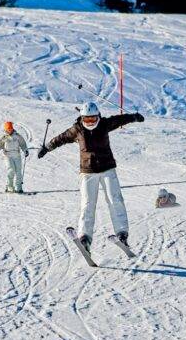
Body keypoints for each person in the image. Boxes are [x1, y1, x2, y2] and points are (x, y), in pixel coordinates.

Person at [37, 102, 144, 251]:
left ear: (98, 116)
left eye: (93, 119)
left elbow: (120, 119)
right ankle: (85, 237)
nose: (90, 122)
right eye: (87, 119)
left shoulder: (104, 124)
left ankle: (122, 234)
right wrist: (47, 148)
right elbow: (61, 138)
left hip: (107, 169)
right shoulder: (77, 129)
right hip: (87, 171)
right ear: (82, 118)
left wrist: (134, 117)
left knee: (115, 200)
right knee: (87, 204)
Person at [0, 121, 29, 193]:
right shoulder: (4, 137)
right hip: (8, 156)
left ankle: (18, 188)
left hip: (17, 155)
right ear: (6, 129)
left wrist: (25, 150)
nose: (9, 130)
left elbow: (23, 144)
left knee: (18, 171)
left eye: (10, 129)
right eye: (8, 129)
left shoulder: (17, 136)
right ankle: (9, 187)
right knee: (11, 170)